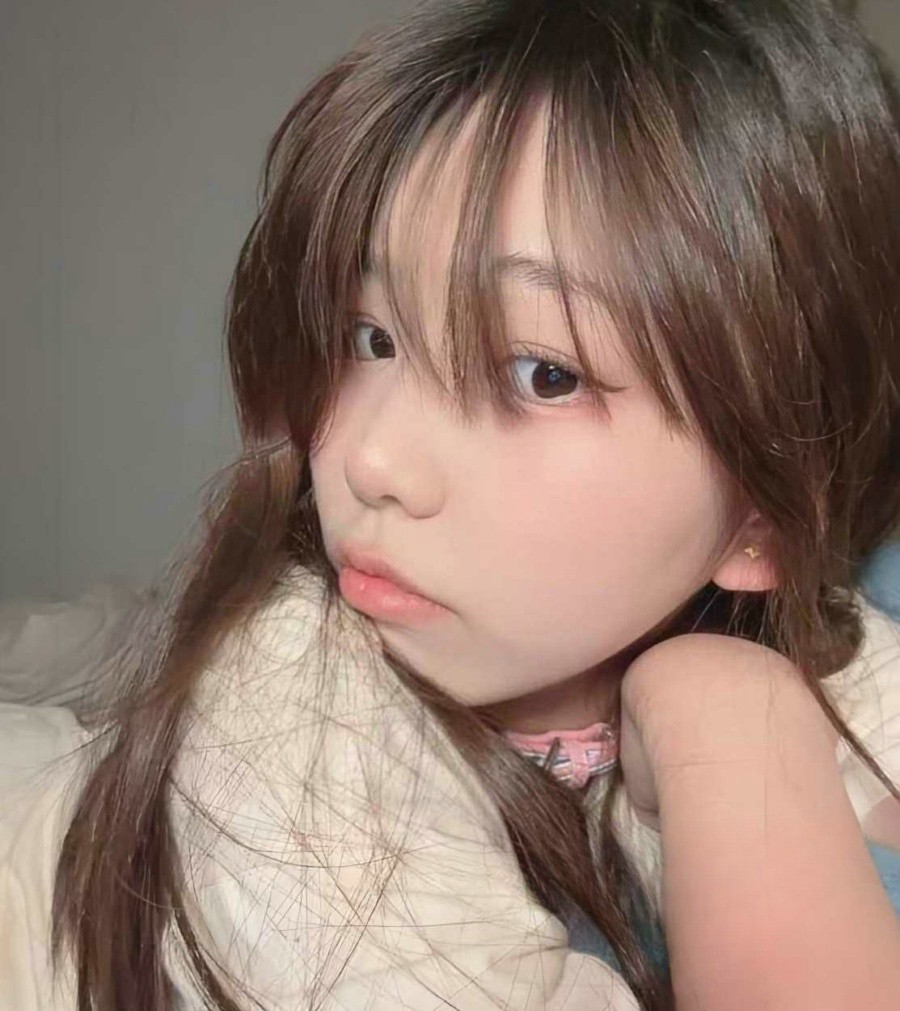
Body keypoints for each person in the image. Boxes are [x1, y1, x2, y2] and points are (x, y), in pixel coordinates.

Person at [1, 0, 899, 1008]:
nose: (369, 457)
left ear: (762, 517)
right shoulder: (295, 714)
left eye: (542, 373)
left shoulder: (809, 637)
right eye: (372, 338)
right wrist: (726, 721)